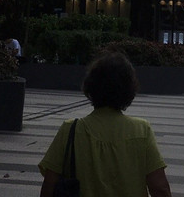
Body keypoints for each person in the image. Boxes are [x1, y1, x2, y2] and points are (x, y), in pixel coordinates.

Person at [38, 52, 171, 197]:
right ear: (129, 90)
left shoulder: (70, 129)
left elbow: (49, 186)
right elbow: (159, 188)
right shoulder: (141, 130)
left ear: (90, 87)